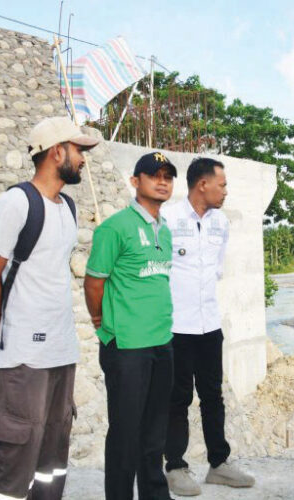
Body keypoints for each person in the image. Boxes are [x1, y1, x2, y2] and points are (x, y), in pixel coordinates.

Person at [0, 116, 99, 500]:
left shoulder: (69, 207)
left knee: (54, 447)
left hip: (61, 352)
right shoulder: (16, 202)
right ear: (57, 151)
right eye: (78, 150)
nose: (83, 160)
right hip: (24, 354)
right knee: (19, 447)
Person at [84, 152, 178, 500]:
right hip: (126, 347)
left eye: (168, 175)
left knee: (155, 434)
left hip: (162, 342)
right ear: (135, 181)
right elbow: (94, 283)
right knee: (125, 433)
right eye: (154, 175)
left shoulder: (164, 230)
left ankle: (155, 494)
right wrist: (100, 321)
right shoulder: (115, 227)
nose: (162, 181)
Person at [162, 157, 254, 496]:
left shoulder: (220, 223)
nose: (225, 191)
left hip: (209, 325)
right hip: (176, 326)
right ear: (203, 184)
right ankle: (175, 466)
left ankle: (219, 464)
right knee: (178, 398)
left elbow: (216, 268)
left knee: (213, 396)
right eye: (223, 184)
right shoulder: (168, 218)